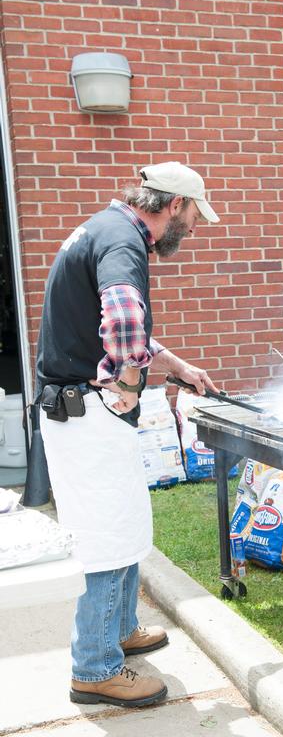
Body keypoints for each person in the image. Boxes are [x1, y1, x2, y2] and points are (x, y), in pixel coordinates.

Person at [36, 162, 220, 706]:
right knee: (108, 534)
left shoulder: (106, 228)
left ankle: (119, 629)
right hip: (88, 411)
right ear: (172, 205)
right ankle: (94, 666)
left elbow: (115, 325)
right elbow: (121, 318)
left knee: (124, 521)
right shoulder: (125, 243)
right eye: (192, 214)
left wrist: (177, 367)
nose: (191, 225)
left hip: (85, 409)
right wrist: (134, 383)